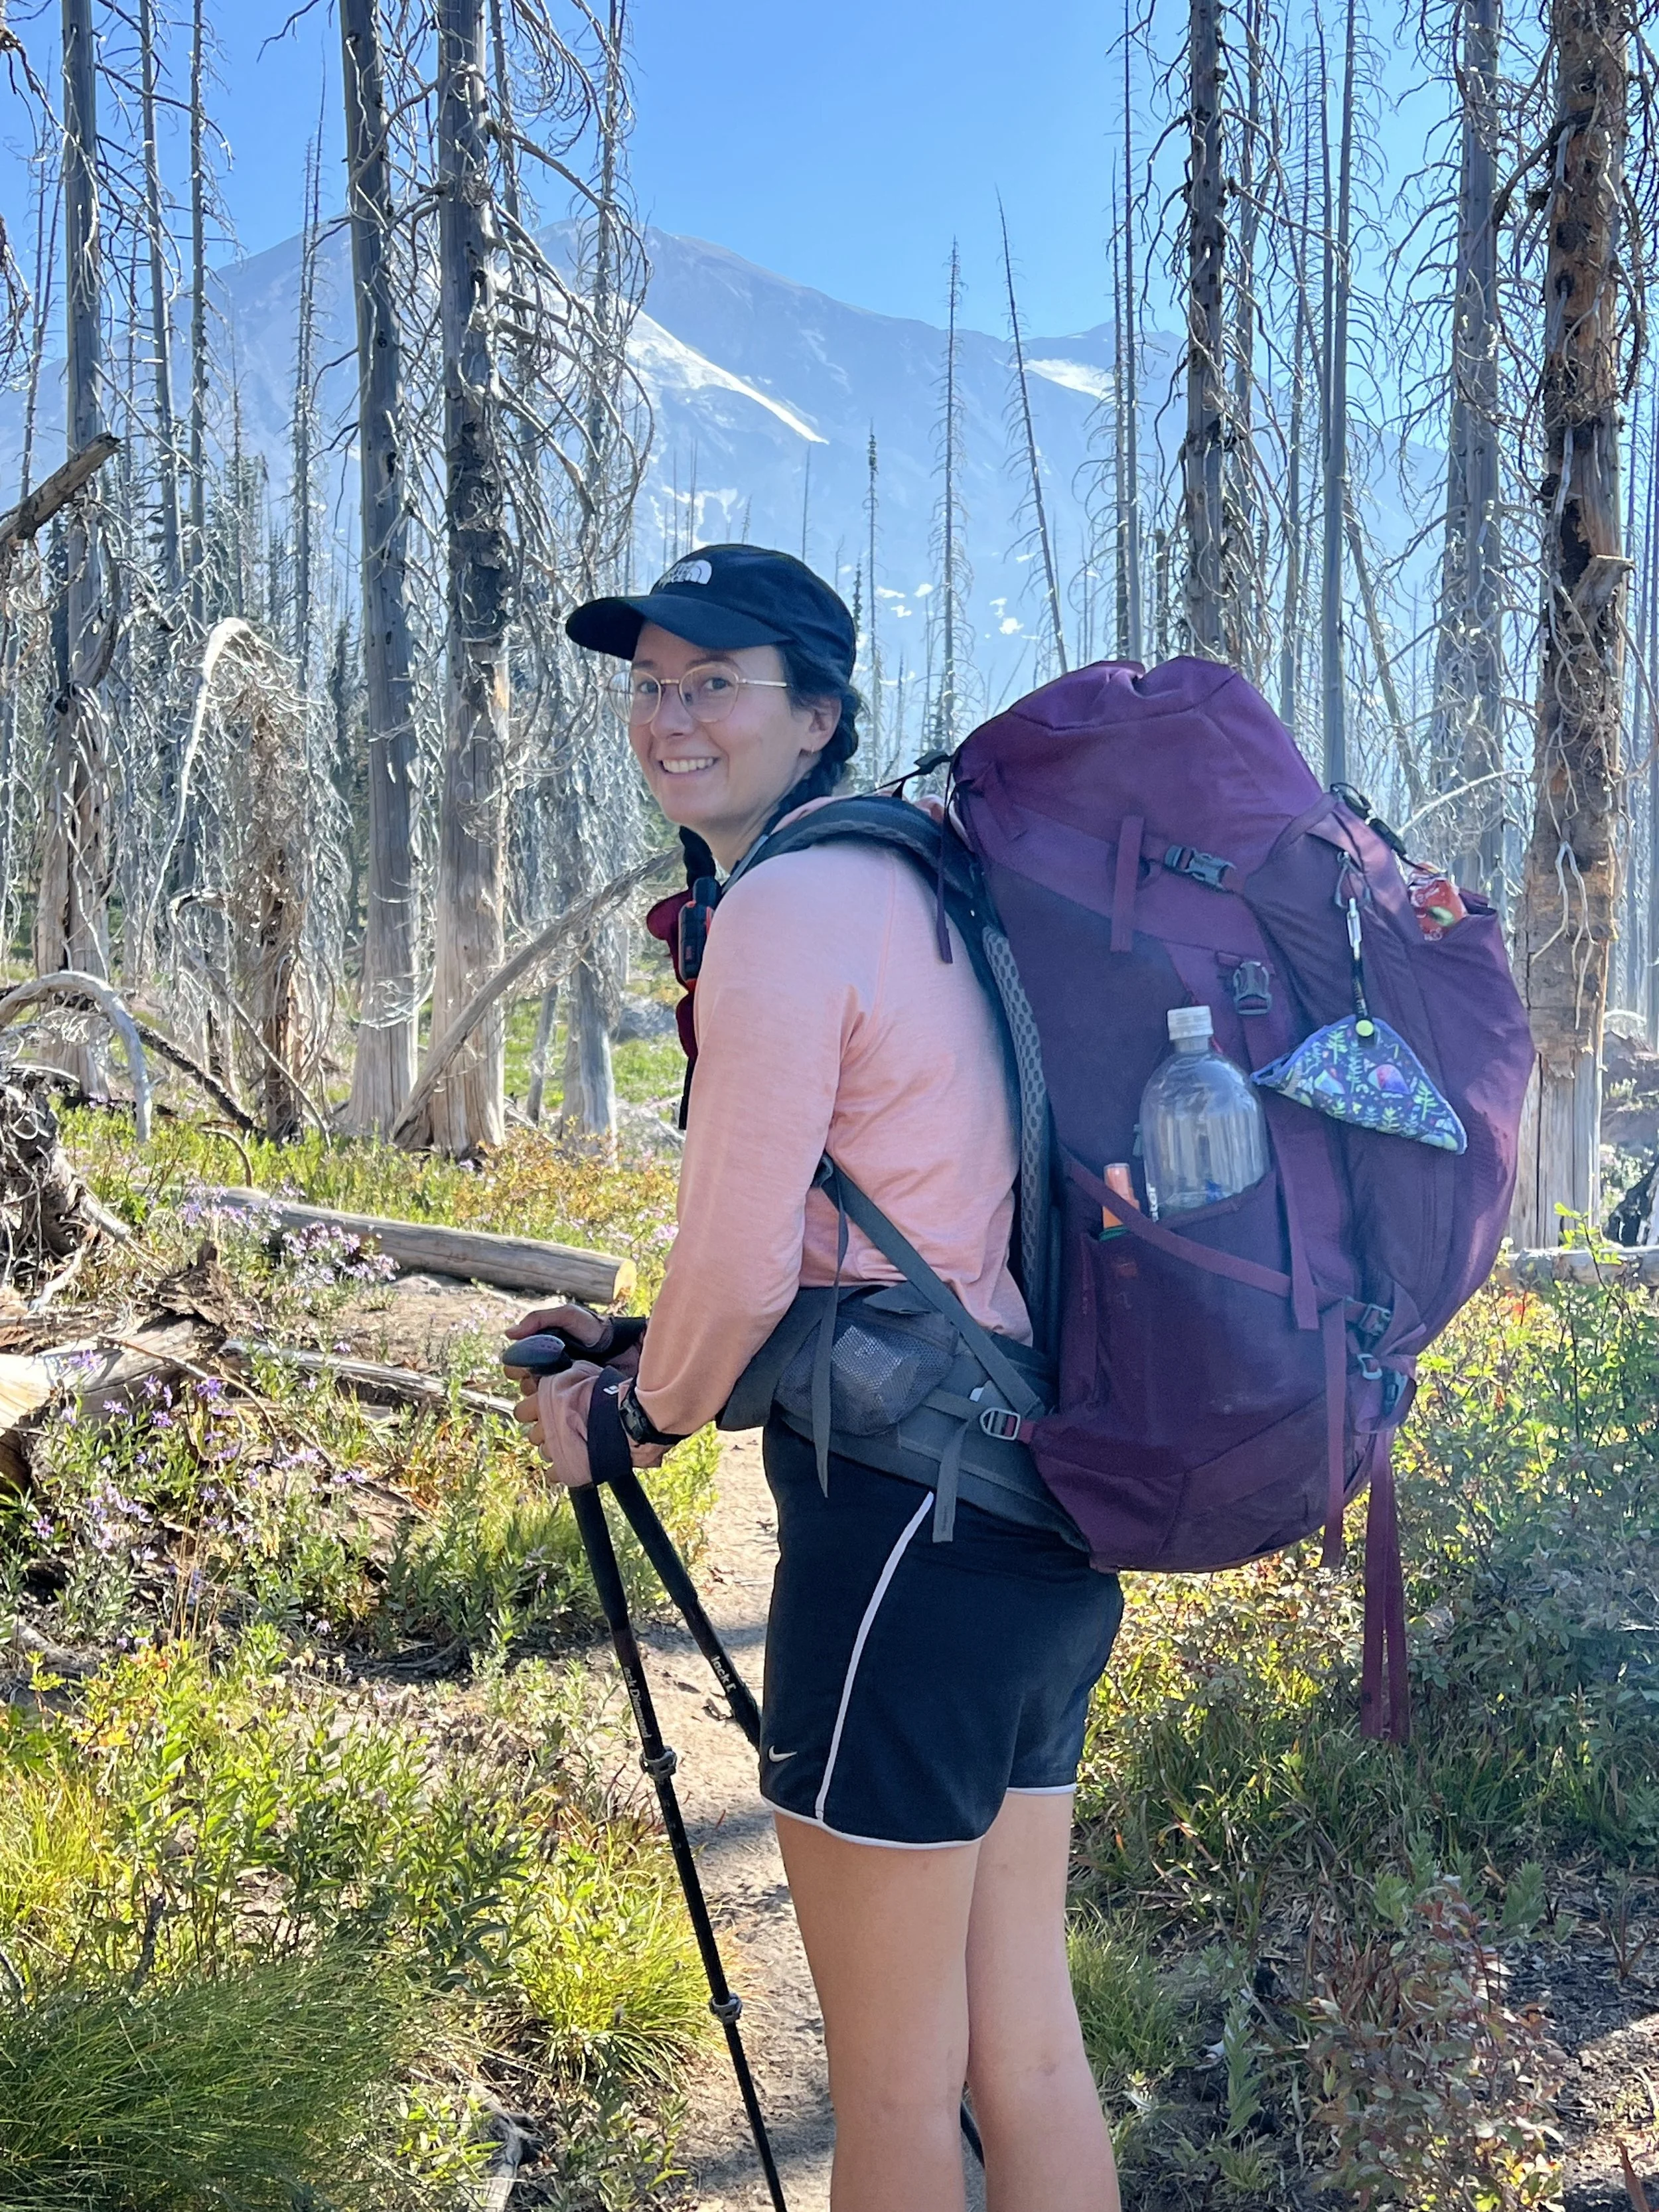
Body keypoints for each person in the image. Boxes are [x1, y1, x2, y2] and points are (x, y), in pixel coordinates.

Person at [510, 544, 1123, 2212]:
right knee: (1026, 2055)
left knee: (891, 2098)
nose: (670, 715)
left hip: (899, 1548)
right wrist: (675, 1353)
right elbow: (892, 1219)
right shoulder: (922, 879)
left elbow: (738, 1261)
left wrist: (636, 1406)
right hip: (1027, 1526)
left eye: (716, 682)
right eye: (648, 683)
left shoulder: (781, 906)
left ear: (819, 714)